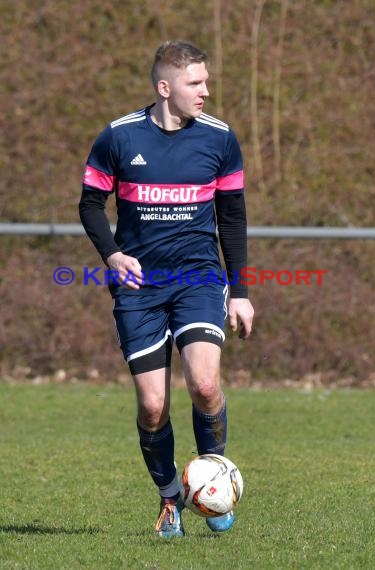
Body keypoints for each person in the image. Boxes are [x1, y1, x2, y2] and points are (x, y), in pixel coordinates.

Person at [79, 40, 254, 538]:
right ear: (165, 87)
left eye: (205, 81)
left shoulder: (220, 139)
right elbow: (90, 204)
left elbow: (233, 218)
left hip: (199, 278)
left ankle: (212, 481)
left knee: (203, 385)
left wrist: (239, 290)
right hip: (139, 289)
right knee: (153, 406)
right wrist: (112, 254)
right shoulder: (118, 137)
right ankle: (170, 499)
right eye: (195, 83)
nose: (206, 91)